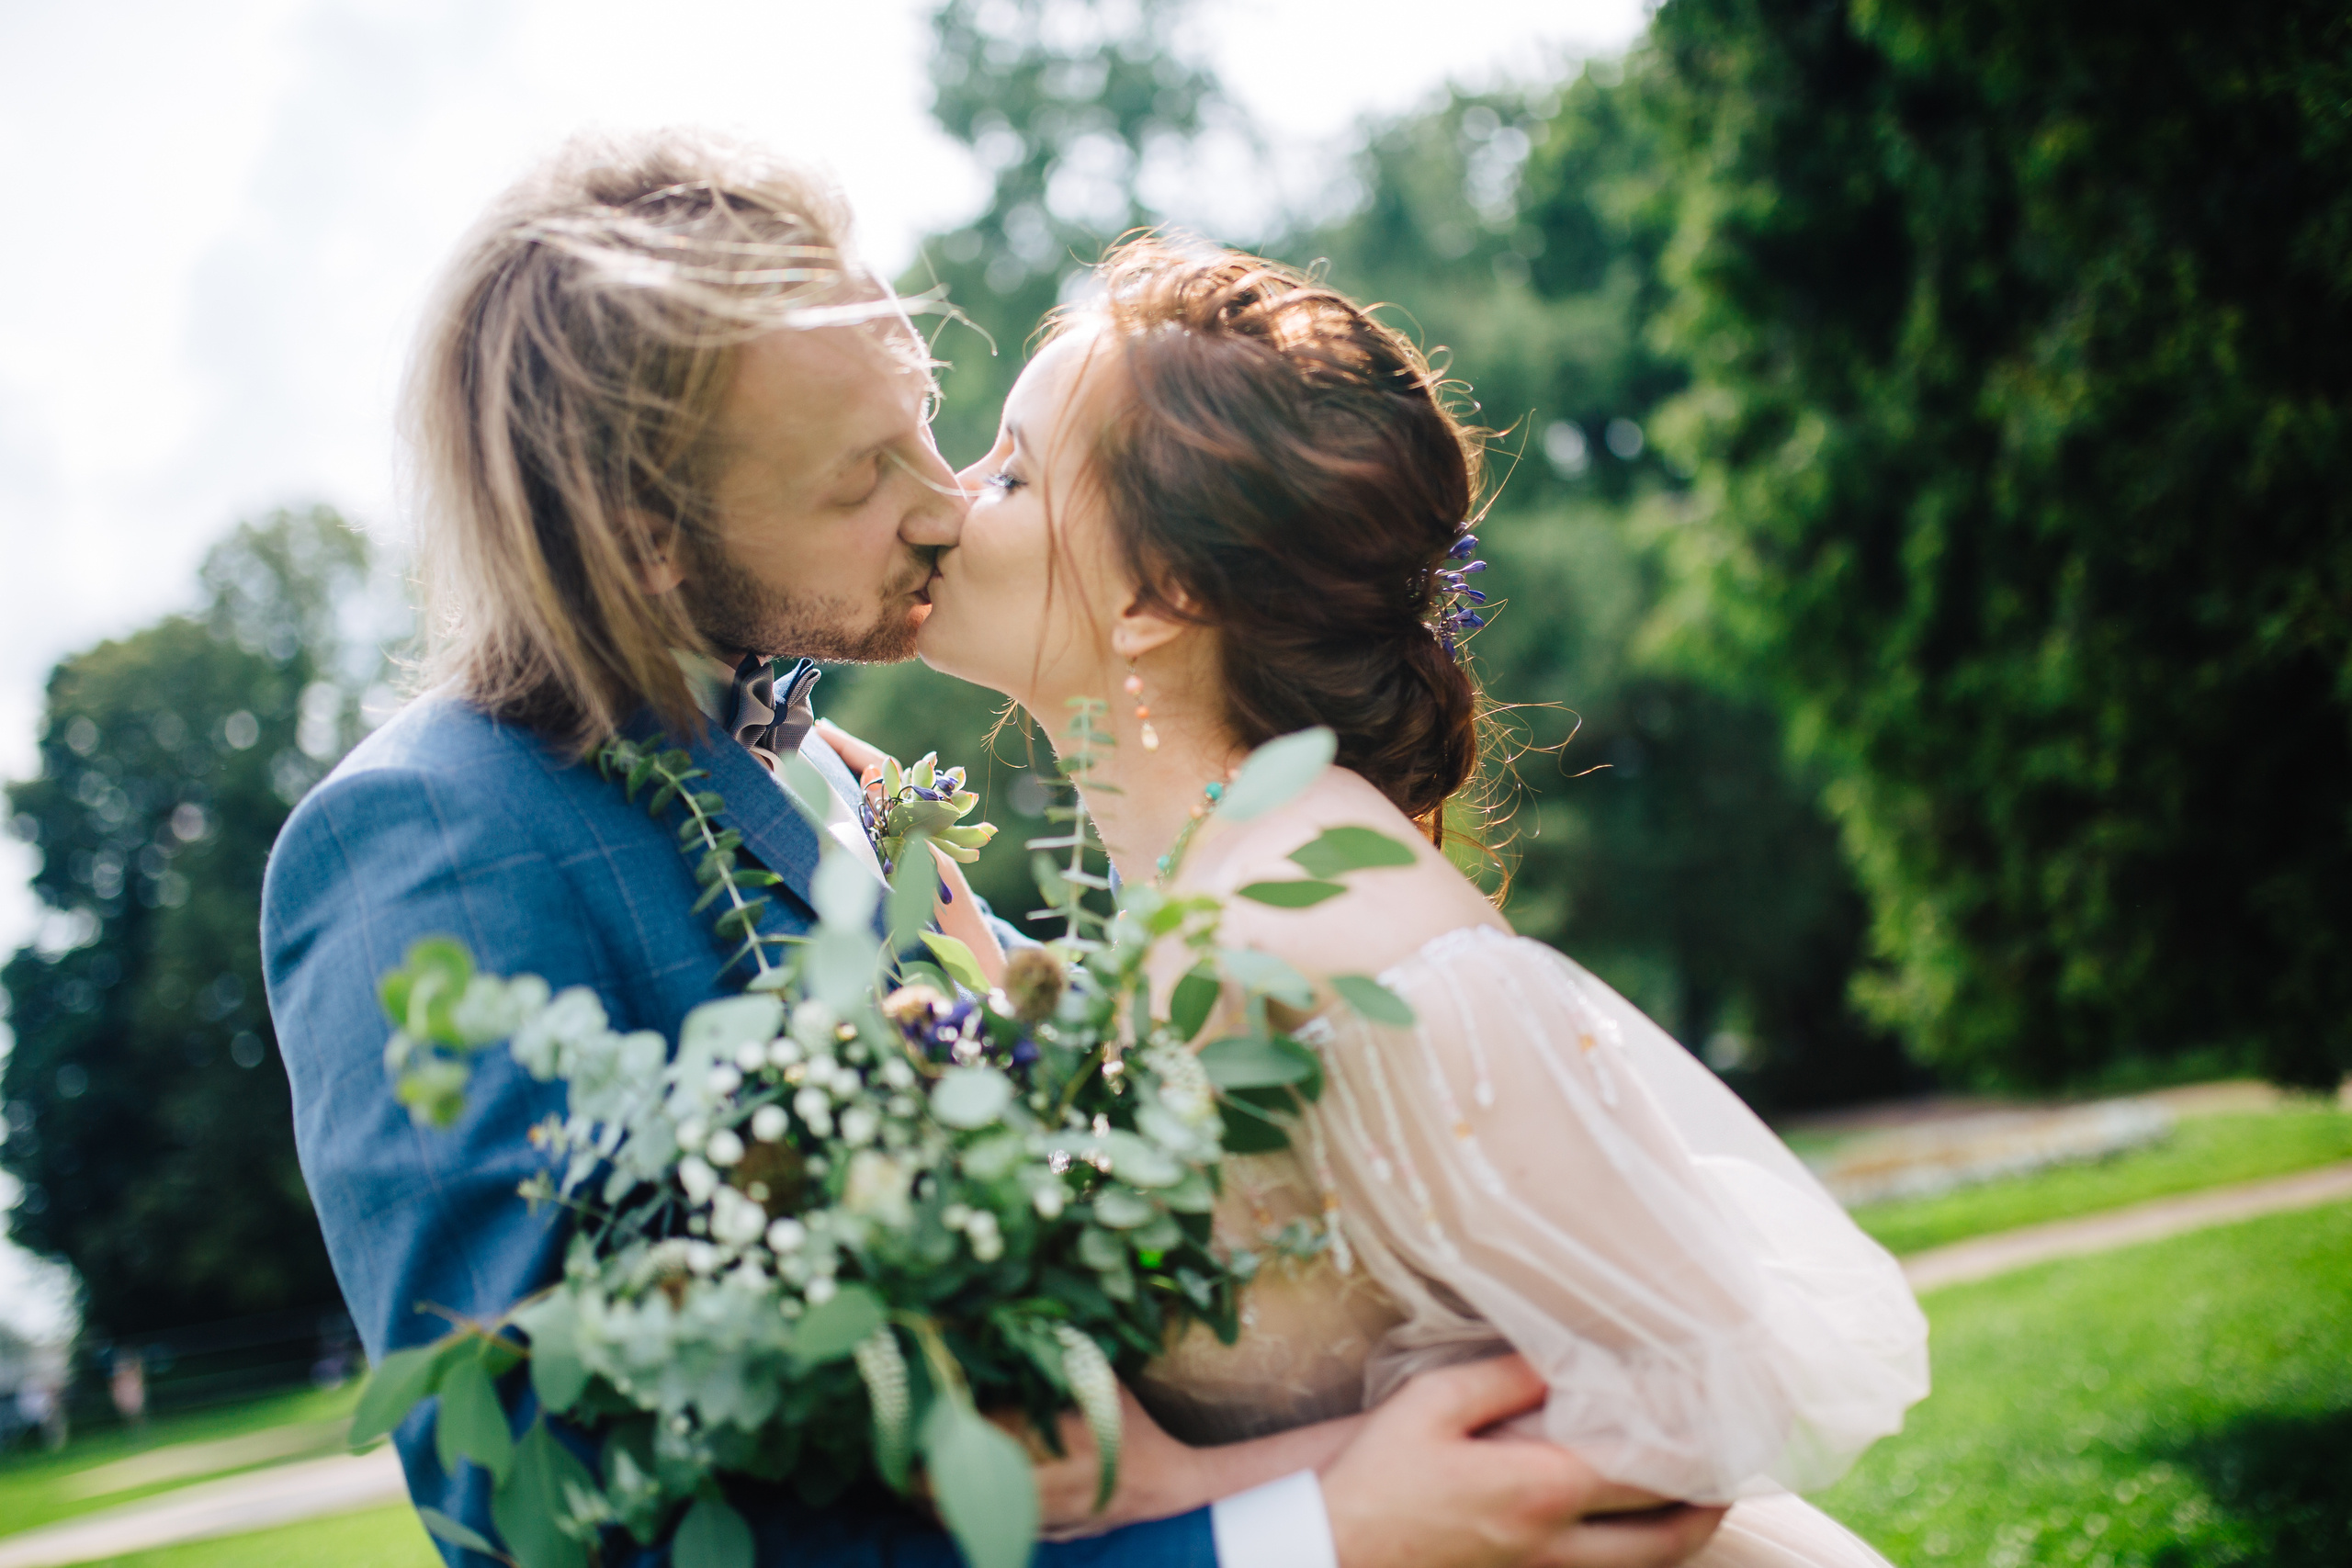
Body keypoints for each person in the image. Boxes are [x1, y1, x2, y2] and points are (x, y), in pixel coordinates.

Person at [261, 130, 1724, 1568]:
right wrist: (1288, 1530)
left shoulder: (865, 793)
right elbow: (552, 1526)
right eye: (858, 478)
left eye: (929, 419)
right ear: (648, 535)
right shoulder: (433, 840)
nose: (943, 498)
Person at [910, 240, 1931, 1566]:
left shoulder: (1328, 928)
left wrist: (1163, 1485)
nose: (947, 498)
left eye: (1013, 471)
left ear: (1164, 595)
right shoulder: (1197, 899)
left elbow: (1689, 1402)